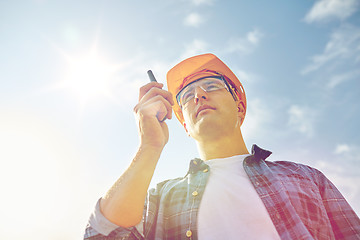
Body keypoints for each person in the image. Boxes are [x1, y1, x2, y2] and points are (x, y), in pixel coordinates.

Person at [84, 53, 360, 240]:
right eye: (187, 96)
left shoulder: (306, 177)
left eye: (211, 85)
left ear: (239, 106)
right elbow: (102, 234)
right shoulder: (161, 197)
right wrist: (149, 146)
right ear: (185, 127)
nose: (199, 95)